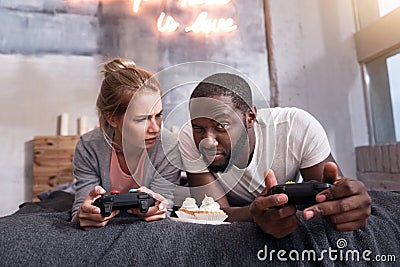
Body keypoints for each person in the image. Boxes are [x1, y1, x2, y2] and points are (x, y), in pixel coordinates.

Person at [178, 72, 371, 238]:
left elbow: (330, 199)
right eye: (199, 128)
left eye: (222, 126)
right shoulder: (188, 135)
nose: (208, 141)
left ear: (250, 117)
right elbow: (214, 213)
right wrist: (254, 213)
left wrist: (344, 202)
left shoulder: (296, 127)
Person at [71, 58, 181, 230]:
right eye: (142, 119)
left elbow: (165, 208)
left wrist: (158, 210)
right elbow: (80, 211)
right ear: (112, 118)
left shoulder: (169, 147)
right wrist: (86, 215)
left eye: (158, 115)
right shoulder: (89, 147)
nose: (155, 128)